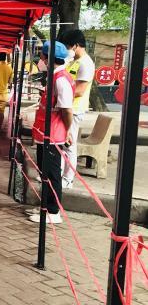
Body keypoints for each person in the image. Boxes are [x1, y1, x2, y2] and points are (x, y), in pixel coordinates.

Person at [28, 41, 75, 224]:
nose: (41, 59)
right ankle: (45, 206)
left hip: (53, 134)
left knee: (52, 173)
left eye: (42, 56)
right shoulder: (54, 77)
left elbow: (66, 110)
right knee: (44, 172)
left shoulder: (61, 80)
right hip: (45, 133)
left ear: (48, 58)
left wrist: (67, 130)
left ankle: (53, 211)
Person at [60, 29, 95, 189]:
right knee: (62, 143)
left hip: (74, 109)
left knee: (69, 145)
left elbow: (80, 90)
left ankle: (68, 179)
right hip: (65, 106)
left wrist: (60, 93)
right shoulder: (73, 61)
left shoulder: (86, 63)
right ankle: (58, 175)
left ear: (75, 45)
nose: (67, 49)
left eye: (67, 46)